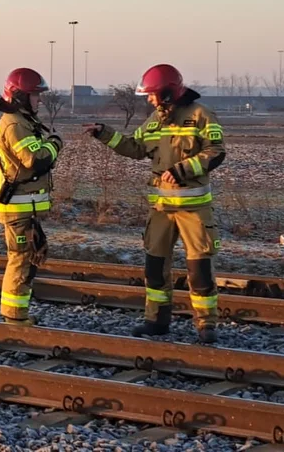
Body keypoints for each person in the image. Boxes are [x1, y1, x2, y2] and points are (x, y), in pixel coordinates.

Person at [83, 64, 226, 343]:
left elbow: (216, 151)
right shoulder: (155, 119)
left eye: (152, 94)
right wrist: (104, 133)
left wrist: (183, 170)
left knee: (200, 271)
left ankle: (206, 324)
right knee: (155, 269)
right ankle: (156, 321)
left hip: (194, 210)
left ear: (167, 93)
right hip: (160, 211)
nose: (149, 100)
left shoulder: (201, 115)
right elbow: (135, 148)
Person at [0, 68, 62, 326]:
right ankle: (14, 318)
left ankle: (16, 315)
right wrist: (56, 143)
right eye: (35, 95)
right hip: (18, 208)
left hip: (24, 207)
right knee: (21, 260)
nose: (39, 100)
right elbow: (35, 160)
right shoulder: (15, 124)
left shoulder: (22, 121)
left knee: (27, 259)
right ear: (21, 96)